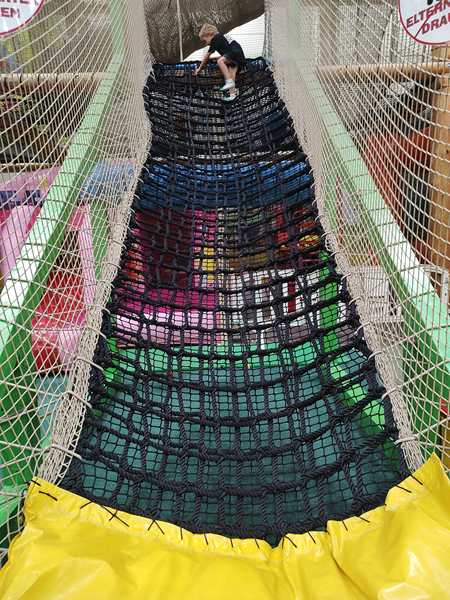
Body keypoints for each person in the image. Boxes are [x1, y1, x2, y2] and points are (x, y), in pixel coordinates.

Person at [194, 24, 245, 101]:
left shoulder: (216, 38)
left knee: (220, 61)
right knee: (231, 74)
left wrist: (199, 68)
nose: (206, 43)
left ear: (209, 34)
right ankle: (232, 95)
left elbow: (207, 56)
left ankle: (229, 82)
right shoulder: (221, 37)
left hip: (234, 53)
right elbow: (227, 50)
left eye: (205, 40)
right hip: (239, 56)